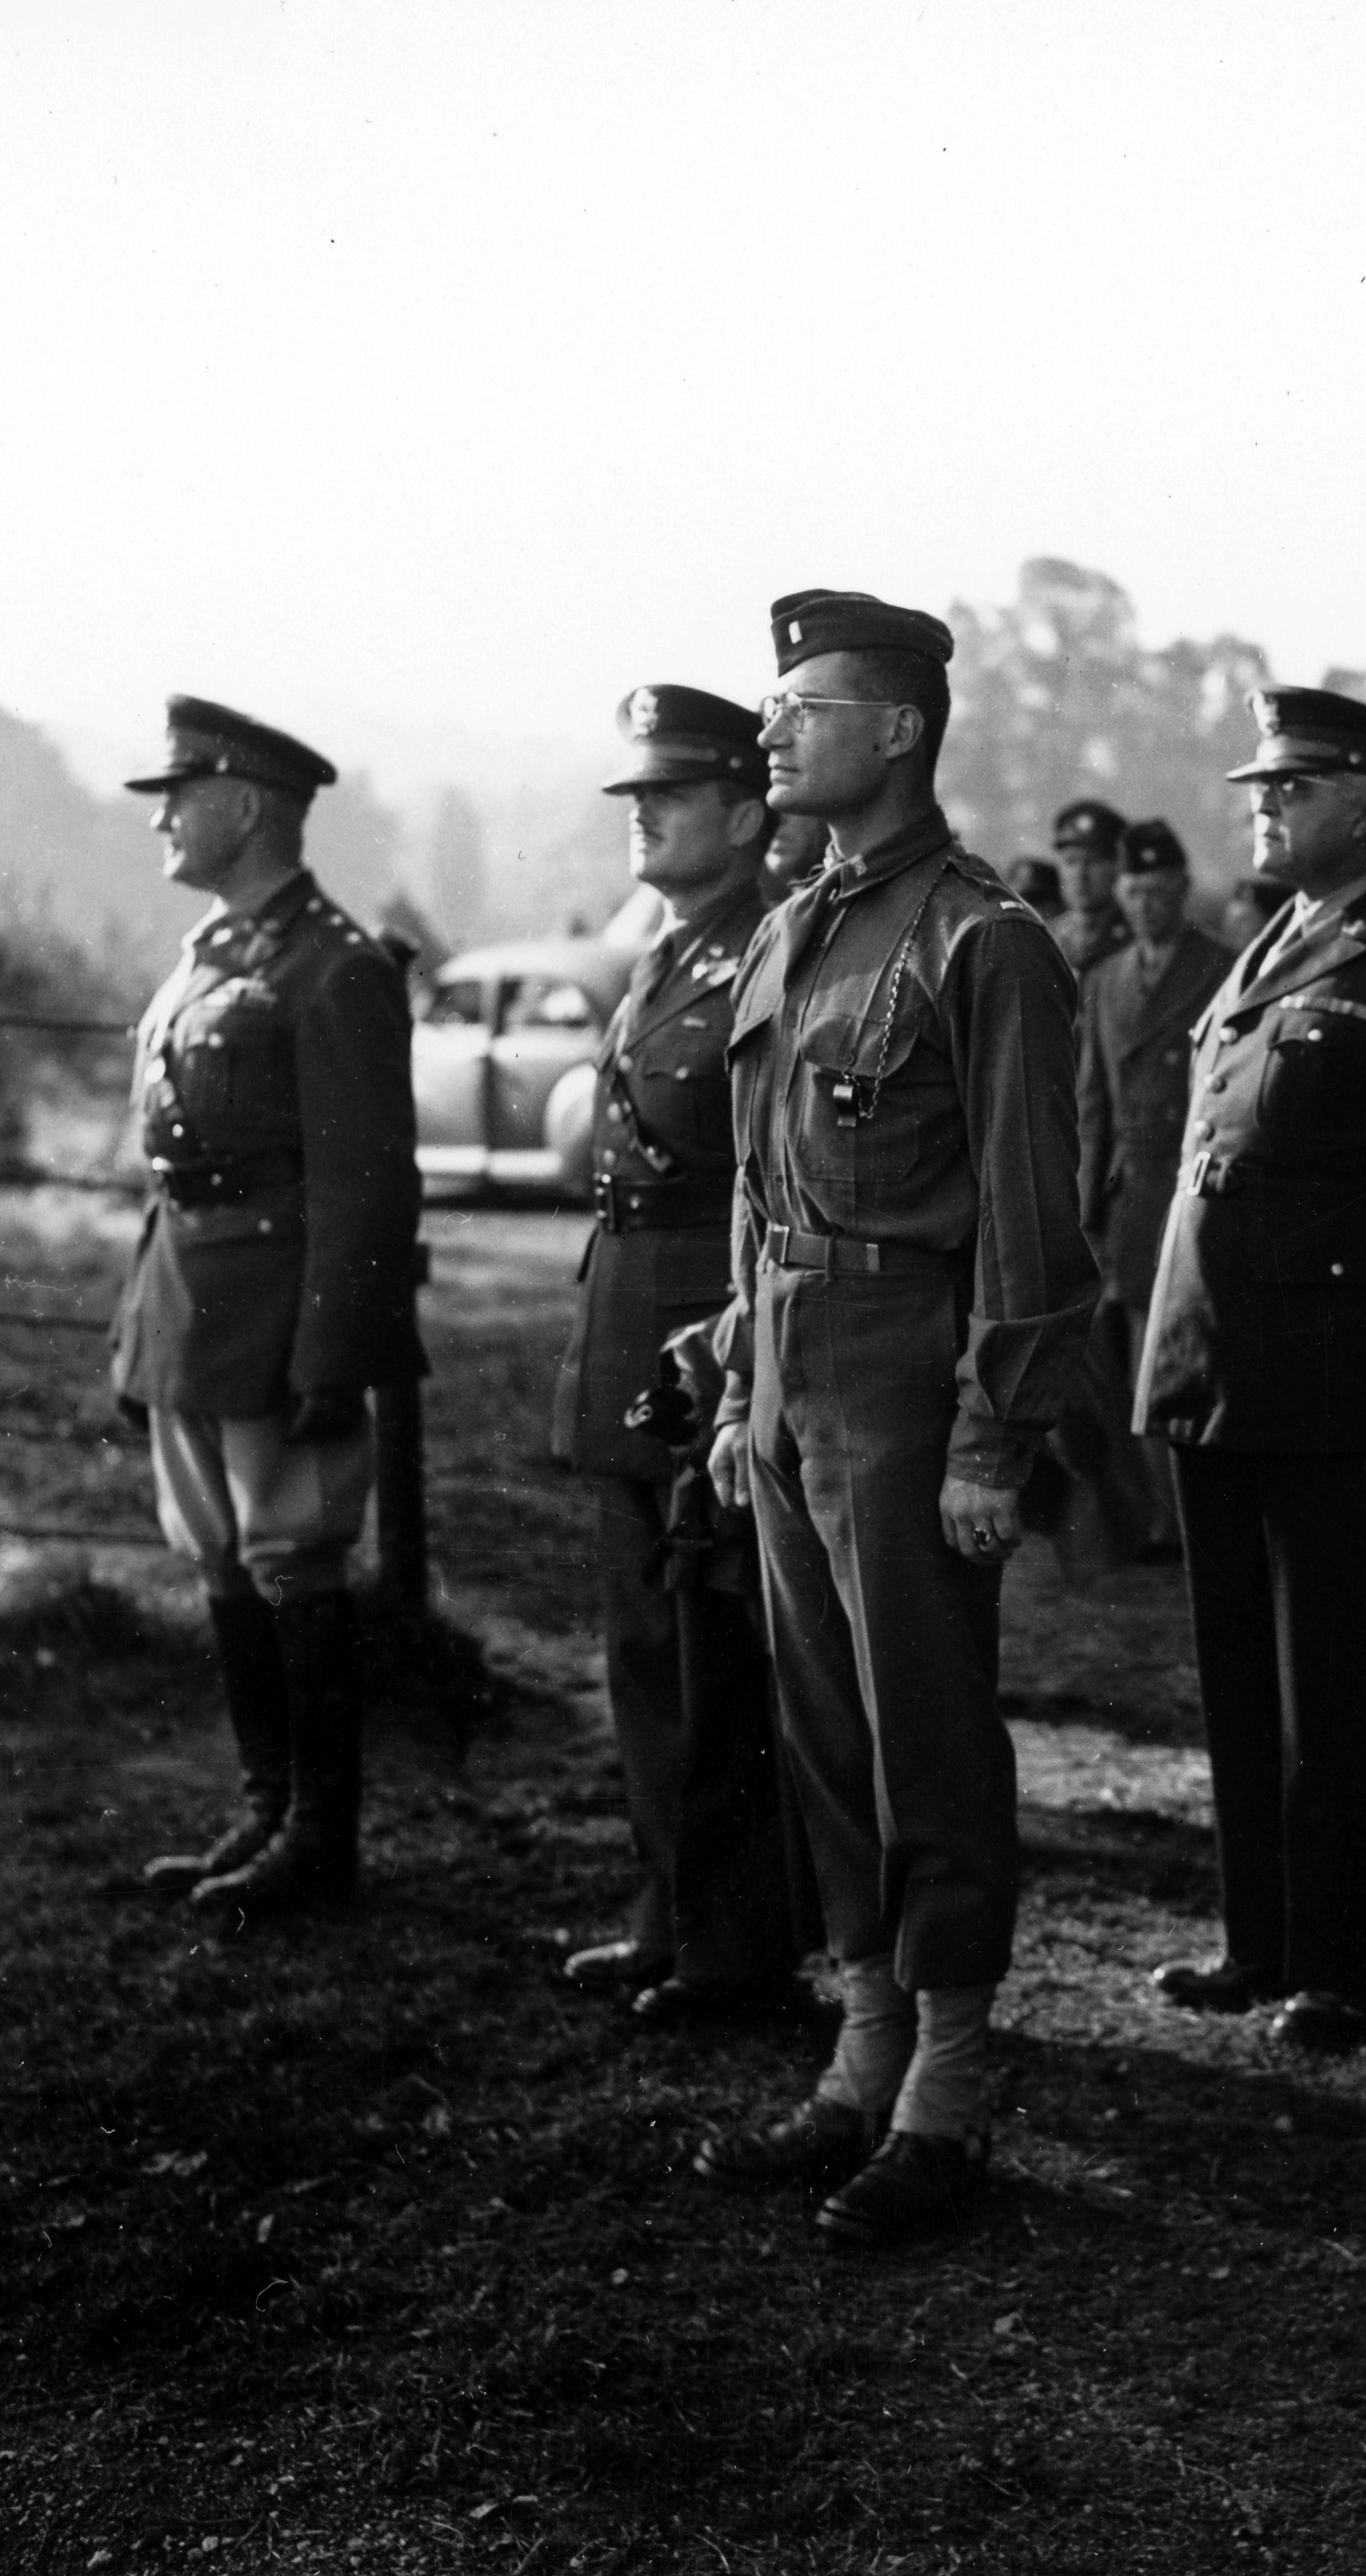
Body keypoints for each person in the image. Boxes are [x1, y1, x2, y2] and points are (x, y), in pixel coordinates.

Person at [694, 589, 1097, 2249]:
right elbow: (751, 1176)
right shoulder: (802, 921)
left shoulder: (979, 937)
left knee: (924, 1725)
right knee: (822, 1728)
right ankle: (861, 2046)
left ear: (904, 727)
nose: (774, 730)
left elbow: (1028, 1215)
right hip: (793, 1359)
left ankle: (948, 2078)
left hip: (904, 1369)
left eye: (807, 705)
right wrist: (736, 1380)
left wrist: (995, 1433)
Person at [1137, 686, 1366, 2050]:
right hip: (1219, 1360)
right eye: (1261, 787)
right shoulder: (1266, 949)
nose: (1263, 807)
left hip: (1335, 1375)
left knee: (1334, 1678)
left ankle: (1342, 1961)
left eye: (1292, 789)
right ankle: (1259, 1938)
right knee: (1237, 1666)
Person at [118, 696, 425, 1918]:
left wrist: (333, 1350)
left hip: (279, 1308)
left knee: (295, 1558)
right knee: (221, 1563)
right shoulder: (210, 954)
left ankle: (318, 1834)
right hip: (194, 1302)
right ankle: (262, 1805)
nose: (162, 822)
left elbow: (364, 1182)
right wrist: (140, 1320)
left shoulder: (333, 965)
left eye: (179, 798)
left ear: (245, 807)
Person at [547, 683, 813, 2023]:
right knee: (645, 1645)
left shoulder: (766, 944)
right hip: (629, 1322)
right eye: (635, 795)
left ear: (748, 811)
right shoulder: (669, 946)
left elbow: (768, 1173)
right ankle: (668, 1909)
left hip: (706, 1326)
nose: (640, 813)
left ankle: (736, 1940)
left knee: (721, 1659)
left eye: (668, 794)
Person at [1060, 817, 1235, 1561]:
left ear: (1182, 891)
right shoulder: (1103, 978)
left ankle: (1191, 1518)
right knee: (1122, 1372)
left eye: (1160, 891)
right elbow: (1092, 1102)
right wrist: (1082, 1208)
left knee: (1185, 1366)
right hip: (1127, 1198)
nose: (1145, 904)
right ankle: (1145, 1519)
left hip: (1190, 1191)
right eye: (1134, 890)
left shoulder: (1223, 968)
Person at [1049, 797, 1135, 976]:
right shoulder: (1046, 938)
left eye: (1094, 861)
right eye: (1071, 862)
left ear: (1117, 866)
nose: (1081, 875)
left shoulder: (1136, 938)